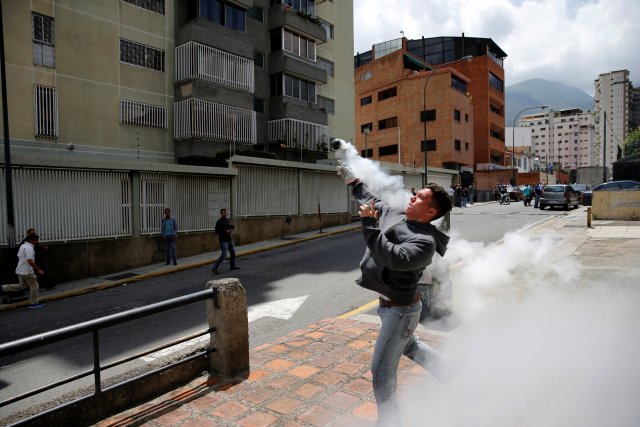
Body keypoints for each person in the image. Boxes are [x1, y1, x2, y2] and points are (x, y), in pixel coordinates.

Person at [337, 160, 453, 425]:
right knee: (410, 346)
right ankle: (453, 371)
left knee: (381, 371)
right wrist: (353, 181)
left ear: (431, 211)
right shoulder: (397, 214)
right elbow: (372, 199)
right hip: (390, 308)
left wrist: (369, 225)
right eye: (415, 193)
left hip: (401, 312)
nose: (413, 197)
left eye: (420, 198)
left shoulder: (424, 242)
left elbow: (394, 258)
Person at [0, 234, 45, 308]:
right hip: (27, 271)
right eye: (36, 240)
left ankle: (3, 288)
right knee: (34, 286)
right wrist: (38, 269)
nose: (37, 242)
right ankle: (34, 303)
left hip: (20, 270)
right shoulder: (29, 248)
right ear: (32, 240)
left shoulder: (22, 246)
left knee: (22, 286)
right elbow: (30, 261)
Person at [212, 208, 240, 274]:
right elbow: (216, 231)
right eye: (222, 213)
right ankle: (214, 268)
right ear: (220, 214)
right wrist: (225, 231)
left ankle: (232, 266)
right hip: (223, 241)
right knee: (224, 254)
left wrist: (230, 229)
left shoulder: (227, 220)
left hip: (229, 239)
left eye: (224, 213)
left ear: (226, 213)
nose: (223, 214)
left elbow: (232, 226)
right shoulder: (219, 222)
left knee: (232, 252)